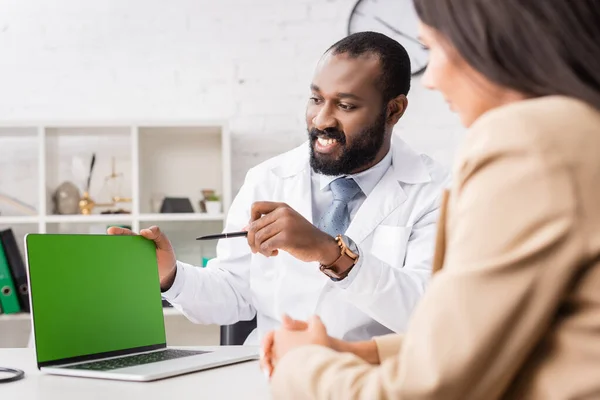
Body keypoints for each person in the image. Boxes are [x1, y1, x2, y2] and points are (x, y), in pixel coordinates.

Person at [262, 0, 600, 398]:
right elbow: (481, 328)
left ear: (492, 41)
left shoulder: (527, 140)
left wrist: (302, 363)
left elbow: (429, 390)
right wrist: (357, 352)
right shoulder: (578, 129)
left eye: (435, 48)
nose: (432, 79)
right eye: (317, 99)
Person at [108, 32, 449, 345]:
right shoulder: (268, 178)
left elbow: (428, 314)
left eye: (345, 106)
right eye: (316, 99)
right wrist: (171, 275)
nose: (321, 120)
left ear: (394, 110)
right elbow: (234, 294)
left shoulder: (436, 191)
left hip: (370, 381)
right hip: (269, 374)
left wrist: (329, 251)